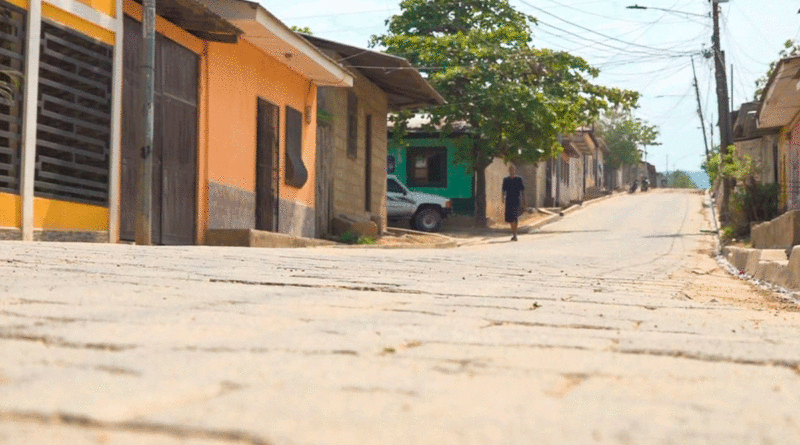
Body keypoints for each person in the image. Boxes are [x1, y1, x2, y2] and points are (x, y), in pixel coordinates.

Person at [502, 164, 525, 241]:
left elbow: (523, 191)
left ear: (514, 171)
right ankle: (513, 233)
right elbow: (503, 190)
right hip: (509, 200)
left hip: (516, 200)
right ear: (509, 171)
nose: (512, 171)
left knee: (515, 217)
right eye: (510, 169)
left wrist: (524, 201)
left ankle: (515, 234)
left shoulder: (518, 179)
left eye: (513, 169)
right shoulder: (506, 180)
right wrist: (502, 199)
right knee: (510, 218)